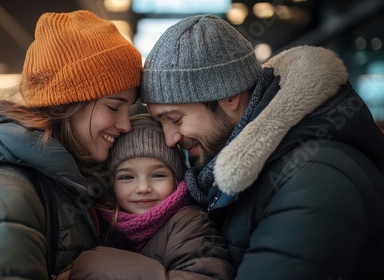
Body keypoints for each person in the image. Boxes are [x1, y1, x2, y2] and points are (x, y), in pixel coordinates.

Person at [140, 14, 384, 280]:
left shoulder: (312, 177)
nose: (170, 139)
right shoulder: (242, 173)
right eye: (160, 123)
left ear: (229, 96)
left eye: (175, 119)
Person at [0, 10, 142, 279]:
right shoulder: (3, 193)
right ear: (69, 103)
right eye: (114, 107)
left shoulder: (68, 177)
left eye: (129, 109)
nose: (126, 125)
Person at [68, 114, 236, 279]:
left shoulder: (190, 224)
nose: (143, 188)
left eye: (158, 175)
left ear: (176, 180)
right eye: (126, 177)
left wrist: (95, 267)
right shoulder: (105, 228)